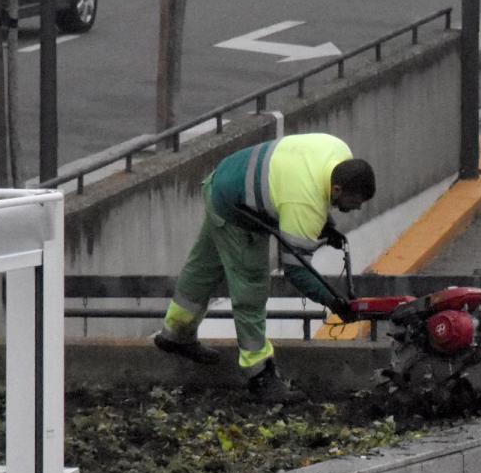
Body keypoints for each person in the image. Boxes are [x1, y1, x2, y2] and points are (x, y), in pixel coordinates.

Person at [153, 133, 376, 402]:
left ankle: (175, 334)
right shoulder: (303, 202)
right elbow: (296, 270)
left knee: (203, 270)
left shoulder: (338, 150)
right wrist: (332, 301)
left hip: (221, 182)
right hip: (237, 210)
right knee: (252, 288)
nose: (355, 209)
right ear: (337, 189)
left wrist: (325, 226)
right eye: (354, 202)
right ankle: (258, 373)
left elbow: (304, 187)